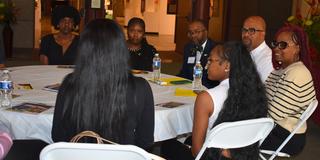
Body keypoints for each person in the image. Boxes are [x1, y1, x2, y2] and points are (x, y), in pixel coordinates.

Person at [52, 19, 155, 150]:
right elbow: (145, 141)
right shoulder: (141, 87)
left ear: (84, 49)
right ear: (121, 48)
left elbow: (58, 135)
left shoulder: (69, 83)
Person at [161, 42, 268, 160]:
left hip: (213, 157)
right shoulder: (256, 94)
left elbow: (197, 152)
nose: (206, 66)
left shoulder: (206, 98)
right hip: (246, 156)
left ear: (227, 66)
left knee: (167, 144)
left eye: (211, 60)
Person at [260, 25, 316, 155]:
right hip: (273, 127)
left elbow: (274, 113)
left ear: (298, 48)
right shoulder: (280, 70)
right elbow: (262, 96)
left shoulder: (298, 73)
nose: (276, 48)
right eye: (275, 44)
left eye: (283, 45)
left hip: (286, 136)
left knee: (233, 135)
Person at [177, 19, 219, 89]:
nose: (193, 35)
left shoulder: (215, 49)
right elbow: (184, 72)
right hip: (189, 87)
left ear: (205, 32)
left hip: (208, 88)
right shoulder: (188, 47)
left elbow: (216, 77)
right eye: (191, 32)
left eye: (197, 32)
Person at [241, 16, 273, 82]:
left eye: (251, 31)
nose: (246, 34)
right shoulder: (241, 53)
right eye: (244, 30)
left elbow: (262, 90)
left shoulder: (269, 59)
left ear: (263, 34)